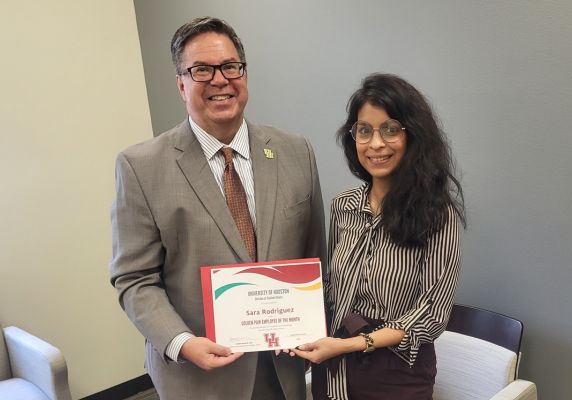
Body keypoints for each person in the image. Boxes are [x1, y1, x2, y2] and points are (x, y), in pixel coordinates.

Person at [109, 17, 326, 400]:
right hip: (198, 378)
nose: (219, 79)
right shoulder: (140, 166)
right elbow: (134, 278)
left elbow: (314, 254)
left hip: (284, 369)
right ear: (181, 83)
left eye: (229, 66)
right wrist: (180, 341)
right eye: (201, 70)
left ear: (244, 74)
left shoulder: (297, 151)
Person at [293, 73, 466, 400]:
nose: (376, 144)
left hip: (396, 371)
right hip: (334, 367)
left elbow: (431, 312)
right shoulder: (343, 206)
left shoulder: (437, 213)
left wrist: (353, 344)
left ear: (413, 136)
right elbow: (331, 286)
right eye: (364, 130)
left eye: (390, 129)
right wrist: (291, 326)